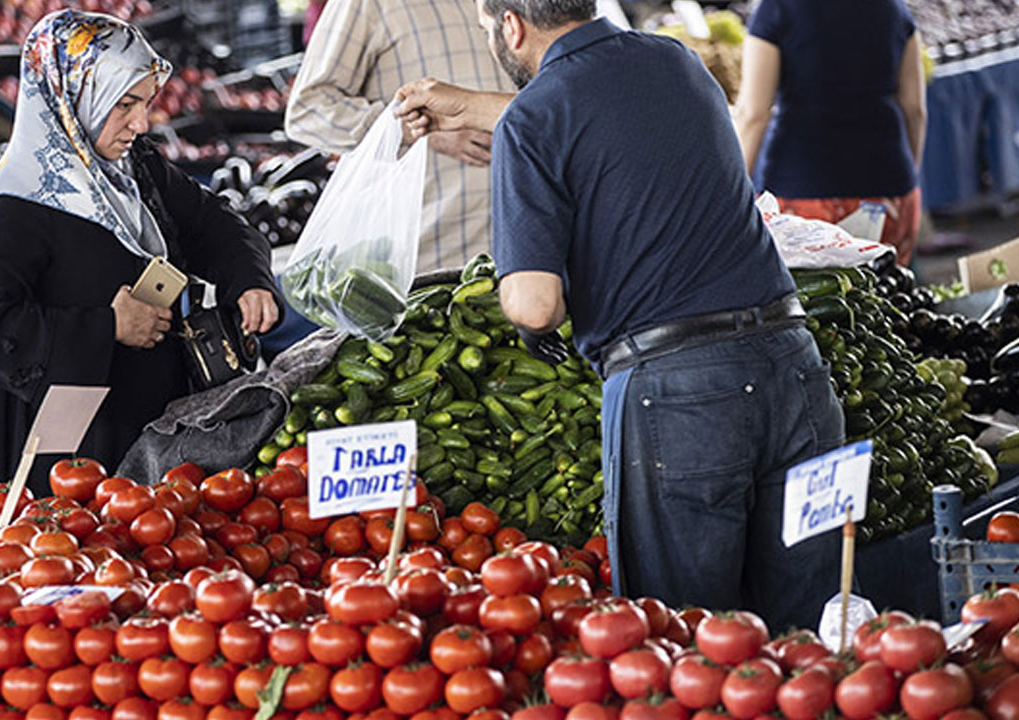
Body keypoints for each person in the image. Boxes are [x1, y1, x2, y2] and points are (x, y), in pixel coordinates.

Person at [395, 0, 845, 631]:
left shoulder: (535, 121)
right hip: (794, 369)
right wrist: (476, 105)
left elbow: (535, 303)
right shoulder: (676, 62)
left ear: (511, 27)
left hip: (682, 397)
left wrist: (509, 288)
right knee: (808, 636)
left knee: (687, 640)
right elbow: (600, 116)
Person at [0, 10, 281, 497]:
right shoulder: (17, 205)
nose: (141, 122)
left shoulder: (134, 169)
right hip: (68, 455)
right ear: (74, 97)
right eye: (124, 104)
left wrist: (249, 279)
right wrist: (107, 326)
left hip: (156, 432)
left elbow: (211, 221)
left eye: (146, 103)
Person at [284, 0, 510, 273]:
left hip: (518, 254)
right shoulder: (368, 4)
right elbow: (307, 109)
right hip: (423, 262)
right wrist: (418, 129)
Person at [733, 0, 926, 266]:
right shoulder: (893, 8)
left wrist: (732, 196)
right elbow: (915, 109)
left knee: (816, 302)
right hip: (889, 188)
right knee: (891, 296)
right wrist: (907, 178)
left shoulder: (777, 9)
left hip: (802, 193)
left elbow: (753, 114)